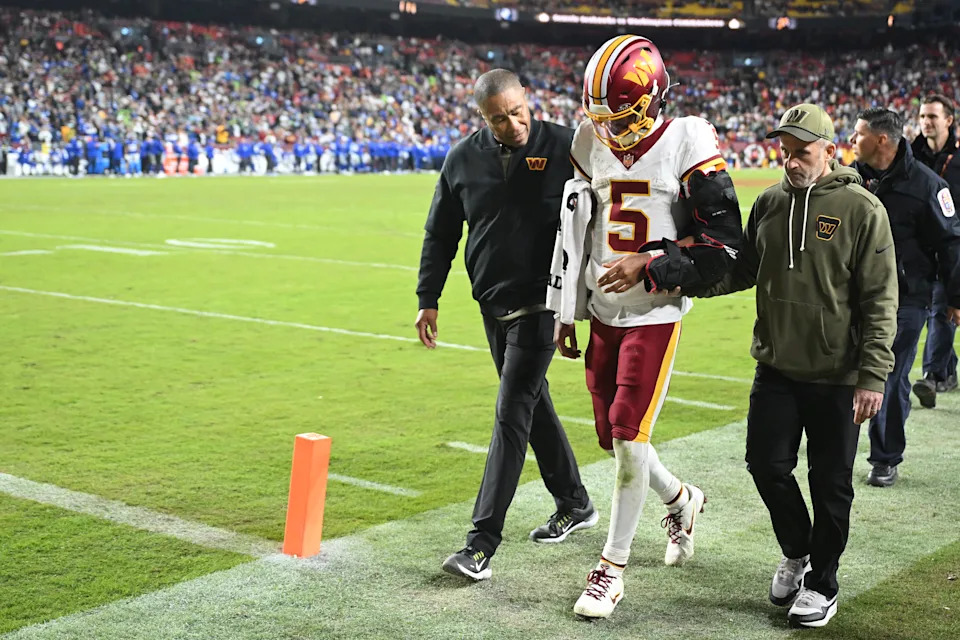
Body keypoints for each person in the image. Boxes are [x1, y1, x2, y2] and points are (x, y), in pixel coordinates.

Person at [548, 35, 743, 621]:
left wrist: (651, 263)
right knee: (614, 440)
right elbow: (576, 229)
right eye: (600, 116)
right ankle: (683, 500)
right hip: (604, 311)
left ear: (654, 99)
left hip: (655, 310)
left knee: (630, 435)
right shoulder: (590, 139)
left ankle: (612, 568)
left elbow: (724, 246)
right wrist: (568, 307)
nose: (610, 129)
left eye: (621, 115)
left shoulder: (688, 138)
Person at [692, 104, 898, 628]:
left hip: (838, 374)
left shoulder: (862, 209)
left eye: (802, 152)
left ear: (831, 151)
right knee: (765, 465)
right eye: (785, 151)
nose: (791, 162)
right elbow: (744, 271)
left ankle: (823, 584)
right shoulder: (768, 203)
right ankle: (797, 552)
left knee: (831, 483)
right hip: (777, 366)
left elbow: (880, 299)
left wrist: (873, 375)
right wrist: (684, 283)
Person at [415, 69, 596, 582]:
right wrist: (428, 298)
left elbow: (600, 216)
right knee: (533, 408)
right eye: (501, 117)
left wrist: (583, 301)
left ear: (527, 101)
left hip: (543, 305)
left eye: (519, 111)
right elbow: (441, 233)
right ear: (483, 117)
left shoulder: (567, 145)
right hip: (492, 304)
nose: (514, 123)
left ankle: (481, 544)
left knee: (512, 411)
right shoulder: (462, 159)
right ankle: (575, 502)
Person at [850, 108, 960, 487]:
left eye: (858, 133)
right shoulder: (850, 179)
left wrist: (954, 297)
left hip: (906, 298)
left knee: (890, 376)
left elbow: (950, 244)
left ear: (881, 140)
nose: (851, 140)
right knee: (845, 373)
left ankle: (885, 457)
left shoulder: (928, 186)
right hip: (850, 296)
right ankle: (840, 448)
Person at [911, 94, 960, 407]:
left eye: (933, 116)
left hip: (951, 246)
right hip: (917, 250)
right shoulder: (910, 157)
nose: (927, 122)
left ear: (949, 121)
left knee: (941, 311)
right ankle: (948, 370)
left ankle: (930, 376)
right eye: (922, 117)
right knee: (930, 312)